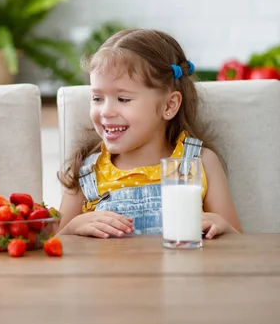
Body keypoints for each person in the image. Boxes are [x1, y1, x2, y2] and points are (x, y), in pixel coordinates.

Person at [57, 29, 242, 239]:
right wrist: (73, 227)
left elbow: (237, 243)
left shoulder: (200, 162)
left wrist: (222, 226)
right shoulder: (86, 171)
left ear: (169, 105)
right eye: (97, 98)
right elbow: (54, 246)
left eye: (123, 99)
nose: (106, 111)